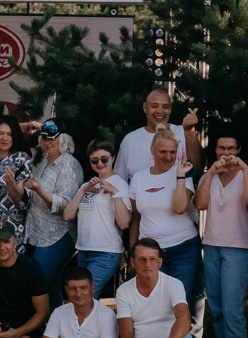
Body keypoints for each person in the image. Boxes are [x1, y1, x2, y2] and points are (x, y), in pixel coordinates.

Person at [194, 131, 248, 338]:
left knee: (233, 309)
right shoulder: (208, 176)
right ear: (215, 151)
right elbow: (200, 203)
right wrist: (210, 173)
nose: (227, 153)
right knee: (219, 309)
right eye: (222, 148)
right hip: (212, 246)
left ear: (239, 149)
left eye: (232, 148)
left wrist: (242, 168)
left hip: (240, 248)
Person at [128, 132, 198, 299]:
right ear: (153, 150)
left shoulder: (184, 173)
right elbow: (136, 218)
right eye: (163, 152)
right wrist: (133, 252)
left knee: (179, 302)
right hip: (150, 253)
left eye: (172, 152)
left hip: (184, 249)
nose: (168, 157)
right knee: (154, 302)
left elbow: (180, 207)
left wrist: (180, 176)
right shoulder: (139, 178)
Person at [21, 119, 84, 296]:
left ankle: (35, 323)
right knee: (50, 287)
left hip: (58, 234)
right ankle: (53, 322)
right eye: (44, 138)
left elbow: (66, 204)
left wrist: (39, 190)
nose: (47, 143)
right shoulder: (44, 162)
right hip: (37, 233)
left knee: (38, 283)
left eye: (52, 139)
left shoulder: (68, 164)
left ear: (63, 140)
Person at [63, 140, 132, 299]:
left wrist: (115, 193)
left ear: (113, 158)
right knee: (82, 300)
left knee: (85, 298)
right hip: (84, 250)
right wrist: (83, 191)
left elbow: (124, 222)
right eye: (95, 160)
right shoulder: (88, 185)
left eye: (104, 159)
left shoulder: (119, 184)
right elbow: (67, 215)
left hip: (106, 252)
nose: (100, 163)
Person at [114, 89, 201, 183]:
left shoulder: (183, 132)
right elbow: (119, 181)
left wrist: (190, 131)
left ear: (170, 109)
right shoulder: (130, 140)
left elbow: (197, 168)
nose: (160, 111)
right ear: (145, 108)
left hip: (177, 196)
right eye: (154, 106)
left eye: (165, 107)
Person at [0, 117, 34, 239]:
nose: (4, 138)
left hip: (11, 226)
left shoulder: (21, 158)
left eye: (9, 134)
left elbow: (21, 199)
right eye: (0, 133)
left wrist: (11, 184)